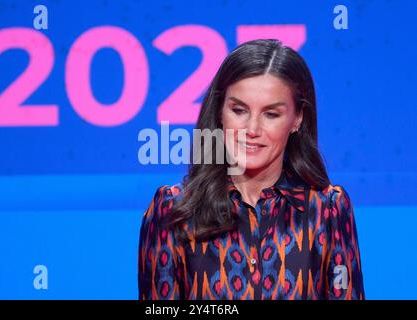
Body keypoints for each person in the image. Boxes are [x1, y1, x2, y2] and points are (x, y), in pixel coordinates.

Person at [138, 39, 365, 300]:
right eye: (239, 110)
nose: (252, 129)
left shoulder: (328, 210)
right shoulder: (173, 210)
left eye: (271, 114)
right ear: (220, 113)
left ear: (297, 119)